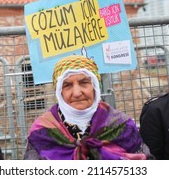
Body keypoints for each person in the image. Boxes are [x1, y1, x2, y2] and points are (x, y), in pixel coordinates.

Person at [23, 54, 152, 160]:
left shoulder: (121, 125)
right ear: (59, 91)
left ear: (95, 86)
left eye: (84, 82)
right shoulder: (43, 130)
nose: (77, 93)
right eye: (67, 85)